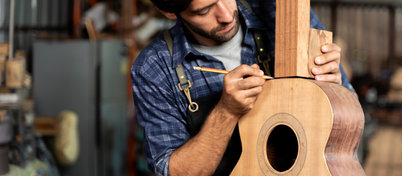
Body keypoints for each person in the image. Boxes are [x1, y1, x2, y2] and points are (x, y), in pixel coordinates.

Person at [131, 0, 355, 175]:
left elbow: (351, 119)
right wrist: (226, 111)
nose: (227, 15)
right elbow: (175, 172)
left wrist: (334, 89)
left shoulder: (281, 12)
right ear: (169, 12)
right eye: (204, 11)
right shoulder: (154, 68)